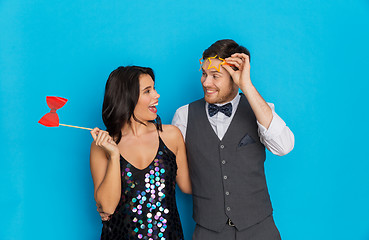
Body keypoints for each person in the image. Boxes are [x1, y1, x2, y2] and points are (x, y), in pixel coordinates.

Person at [172, 39, 295, 240]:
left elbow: (284, 146)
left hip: (259, 229)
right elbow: (170, 169)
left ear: (234, 77)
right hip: (208, 231)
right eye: (204, 74)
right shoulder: (183, 116)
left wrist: (246, 85)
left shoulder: (260, 110)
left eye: (215, 76)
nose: (206, 82)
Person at [90, 66, 191, 240]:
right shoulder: (101, 145)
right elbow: (107, 207)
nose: (157, 95)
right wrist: (114, 155)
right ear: (127, 98)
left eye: (154, 88)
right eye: (147, 91)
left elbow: (189, 186)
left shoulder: (171, 135)